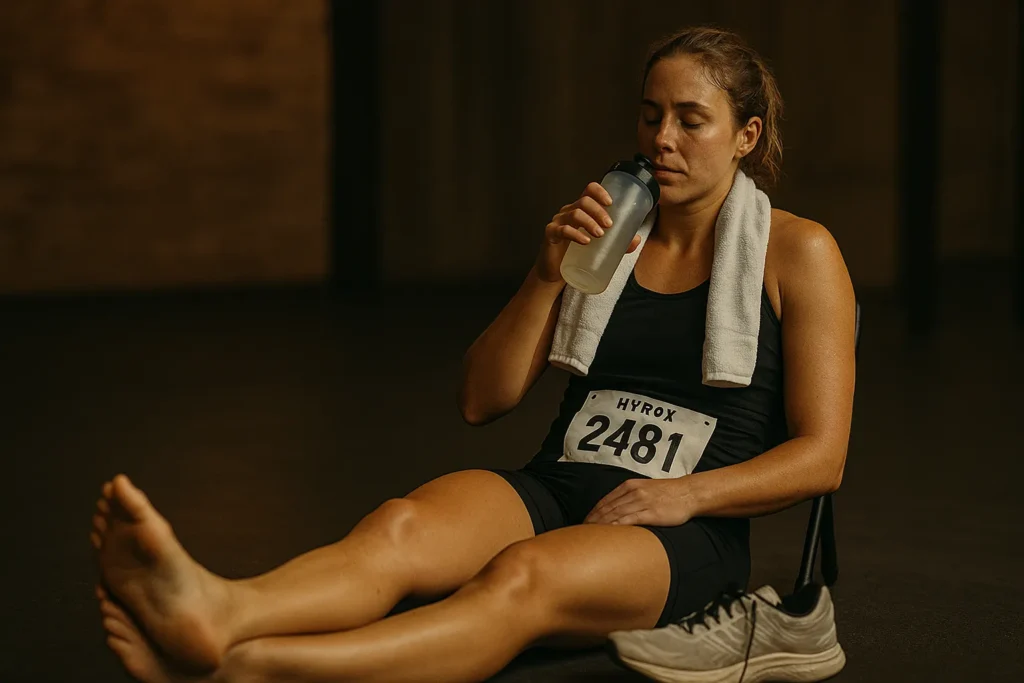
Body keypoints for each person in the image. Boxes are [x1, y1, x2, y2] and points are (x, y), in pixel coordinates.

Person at [90, 26, 856, 683]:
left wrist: (683, 495)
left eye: (692, 121)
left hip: (679, 532)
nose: (662, 140)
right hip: (559, 482)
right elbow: (482, 399)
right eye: (651, 115)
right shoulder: (613, 232)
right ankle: (221, 610)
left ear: (746, 135)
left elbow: (821, 458)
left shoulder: (798, 252)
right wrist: (547, 273)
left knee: (520, 576)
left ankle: (250, 668)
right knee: (400, 526)